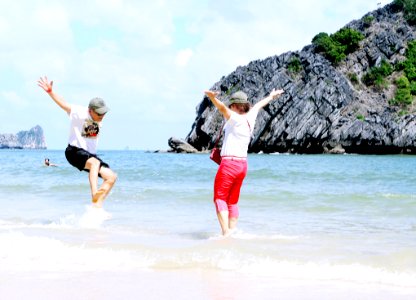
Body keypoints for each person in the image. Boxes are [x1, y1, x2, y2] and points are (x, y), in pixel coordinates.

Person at [204, 88, 284, 236]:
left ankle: (226, 232)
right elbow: (260, 104)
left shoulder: (234, 118)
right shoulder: (250, 117)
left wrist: (212, 98)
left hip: (229, 164)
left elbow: (221, 108)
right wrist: (272, 96)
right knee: (232, 201)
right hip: (242, 166)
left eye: (231, 105)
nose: (229, 107)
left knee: (220, 197)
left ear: (235, 106)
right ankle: (232, 231)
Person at [38, 76, 117, 208]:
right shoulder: (79, 112)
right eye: (99, 114)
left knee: (111, 177)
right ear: (90, 110)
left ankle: (97, 205)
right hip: (73, 152)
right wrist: (51, 92)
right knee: (95, 163)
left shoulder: (99, 119)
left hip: (89, 155)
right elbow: (63, 104)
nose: (102, 116)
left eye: (103, 113)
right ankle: (94, 195)